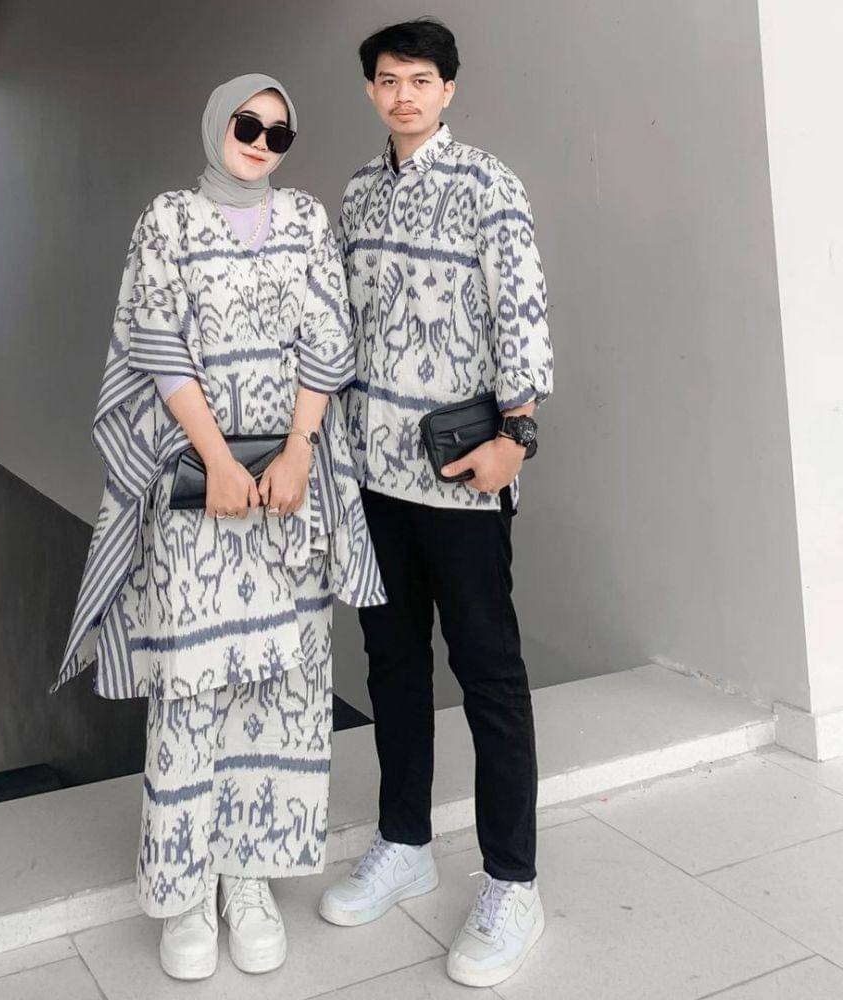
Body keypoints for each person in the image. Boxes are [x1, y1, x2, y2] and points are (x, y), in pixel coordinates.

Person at [49, 73, 385, 981]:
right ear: (216, 124)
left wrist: (299, 453)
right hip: (198, 494)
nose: (262, 143)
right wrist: (220, 461)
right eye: (248, 124)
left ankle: (249, 877)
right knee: (192, 692)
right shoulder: (167, 219)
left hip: (286, 498)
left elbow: (329, 340)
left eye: (280, 133)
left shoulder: (307, 219)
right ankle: (187, 890)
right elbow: (157, 343)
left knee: (281, 688)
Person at [318, 19, 554, 989]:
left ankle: (512, 883)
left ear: (448, 89)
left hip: (460, 477)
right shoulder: (355, 192)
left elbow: (521, 309)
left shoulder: (488, 184)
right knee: (391, 665)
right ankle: (405, 841)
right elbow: (338, 324)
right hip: (372, 475)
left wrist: (518, 435)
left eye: (421, 79)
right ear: (371, 91)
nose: (404, 94)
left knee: (488, 675)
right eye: (388, 80)